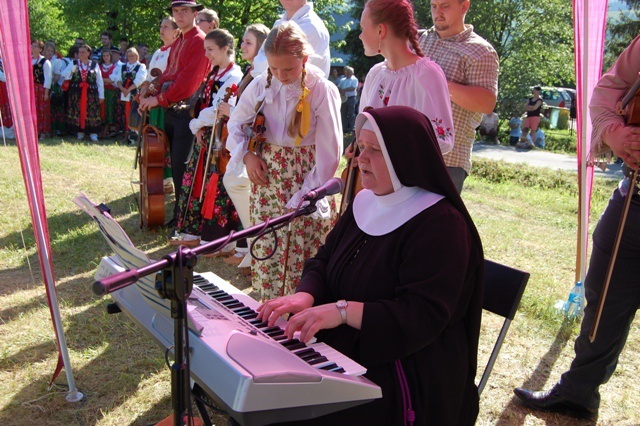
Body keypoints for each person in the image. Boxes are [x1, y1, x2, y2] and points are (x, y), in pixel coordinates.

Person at [257, 106, 484, 425]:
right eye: (360, 148)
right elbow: (324, 260)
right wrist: (305, 295)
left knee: (283, 406)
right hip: (343, 348)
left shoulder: (442, 224)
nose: (361, 159)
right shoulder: (365, 202)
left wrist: (341, 311)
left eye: (375, 150)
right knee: (263, 383)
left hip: (405, 371)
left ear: (406, 156)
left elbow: (421, 316)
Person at [514, 34, 640, 421]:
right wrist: (614, 133)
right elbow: (608, 89)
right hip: (634, 198)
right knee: (602, 303)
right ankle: (579, 391)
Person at [225, 21, 342, 299]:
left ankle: (300, 316)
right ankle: (269, 306)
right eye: (275, 68)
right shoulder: (261, 84)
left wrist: (308, 193)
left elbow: (330, 152)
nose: (281, 75)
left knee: (303, 248)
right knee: (268, 246)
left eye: (288, 68)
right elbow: (236, 124)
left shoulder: (321, 90)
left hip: (307, 175)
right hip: (268, 178)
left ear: (304, 59)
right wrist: (249, 155)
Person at [139, 0, 211, 228]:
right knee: (176, 165)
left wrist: (158, 98)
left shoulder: (199, 41)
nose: (179, 15)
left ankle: (187, 221)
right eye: (176, 12)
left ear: (195, 13)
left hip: (188, 112)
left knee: (183, 166)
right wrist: (153, 88)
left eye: (185, 11)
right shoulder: (180, 39)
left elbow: (188, 84)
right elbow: (171, 73)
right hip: (174, 110)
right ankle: (179, 215)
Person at [170, 28, 244, 249]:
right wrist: (199, 128)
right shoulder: (216, 74)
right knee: (198, 182)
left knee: (215, 184)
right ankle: (195, 231)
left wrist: (195, 124)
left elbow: (217, 110)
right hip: (208, 135)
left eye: (210, 50)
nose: (207, 55)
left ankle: (217, 238)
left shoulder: (234, 77)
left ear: (225, 49)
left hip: (220, 138)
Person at [418, 0, 499, 192]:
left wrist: (439, 83)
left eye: (445, 6)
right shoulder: (417, 39)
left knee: (435, 221)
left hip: (448, 159)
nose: (437, 12)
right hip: (408, 149)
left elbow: (486, 102)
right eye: (433, 5)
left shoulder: (480, 51)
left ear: (464, 6)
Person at [357, 0, 454, 155]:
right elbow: (362, 130)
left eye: (362, 28)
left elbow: (443, 140)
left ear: (381, 30)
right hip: (374, 176)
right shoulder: (375, 74)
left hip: (408, 177)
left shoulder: (426, 74)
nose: (360, 36)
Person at [218, 22, 270, 270]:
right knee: (234, 182)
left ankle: (255, 248)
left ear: (261, 46)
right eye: (243, 41)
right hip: (246, 135)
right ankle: (253, 246)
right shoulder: (251, 71)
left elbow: (258, 106)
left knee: (238, 183)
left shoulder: (262, 72)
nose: (242, 45)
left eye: (248, 42)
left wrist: (232, 111)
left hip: (258, 138)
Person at [139, 16, 181, 192]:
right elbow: (149, 78)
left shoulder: (177, 50)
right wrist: (142, 94)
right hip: (153, 101)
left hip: (166, 100)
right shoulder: (158, 52)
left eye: (166, 26)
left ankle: (168, 179)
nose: (162, 29)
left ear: (176, 31)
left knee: (165, 138)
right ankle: (156, 175)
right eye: (161, 26)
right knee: (154, 138)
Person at [251, 0, 330, 78]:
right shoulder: (279, 23)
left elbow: (271, 67)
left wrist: (261, 61)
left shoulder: (311, 27)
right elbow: (258, 66)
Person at [61, 43, 104, 141]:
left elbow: (99, 81)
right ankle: (80, 132)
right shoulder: (74, 63)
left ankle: (93, 133)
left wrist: (101, 95)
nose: (81, 54)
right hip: (77, 93)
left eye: (83, 52)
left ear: (89, 53)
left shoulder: (94, 65)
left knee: (92, 111)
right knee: (78, 111)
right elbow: (64, 75)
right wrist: (72, 71)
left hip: (91, 93)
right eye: (79, 52)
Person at [110, 47, 147, 141]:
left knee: (133, 114)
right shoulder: (122, 66)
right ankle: (122, 134)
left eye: (133, 55)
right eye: (129, 55)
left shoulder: (140, 66)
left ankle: (133, 136)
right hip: (122, 94)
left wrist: (129, 89)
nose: (131, 57)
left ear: (137, 56)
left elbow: (139, 79)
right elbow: (117, 79)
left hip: (134, 94)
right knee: (121, 114)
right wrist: (122, 89)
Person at [31, 39, 52, 139]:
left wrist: (46, 92)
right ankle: (34, 130)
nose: (33, 48)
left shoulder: (45, 62)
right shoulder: (29, 60)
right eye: (32, 45)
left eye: (35, 46)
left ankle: (43, 131)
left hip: (41, 88)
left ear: (40, 49)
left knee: (42, 109)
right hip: (31, 88)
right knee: (32, 109)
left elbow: (48, 78)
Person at [337, 65, 358, 135]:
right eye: (347, 72)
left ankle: (351, 129)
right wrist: (341, 90)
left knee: (351, 114)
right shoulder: (343, 80)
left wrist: (344, 90)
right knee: (343, 113)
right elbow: (338, 86)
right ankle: (344, 129)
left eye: (349, 72)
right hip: (343, 98)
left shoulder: (354, 79)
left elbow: (353, 88)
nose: (348, 73)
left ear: (352, 73)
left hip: (351, 98)